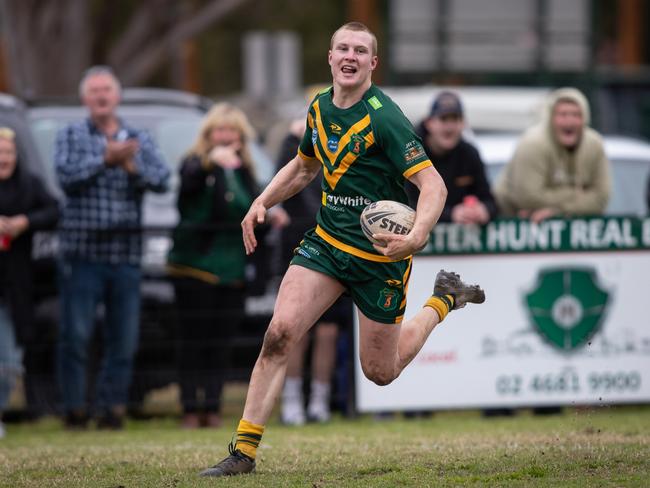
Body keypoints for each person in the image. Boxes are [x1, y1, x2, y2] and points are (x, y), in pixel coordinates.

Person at [200, 22, 485, 477]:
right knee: (279, 333)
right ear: (330, 58)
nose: (350, 57)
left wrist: (416, 237)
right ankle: (243, 453)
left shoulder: (385, 117)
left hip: (380, 259)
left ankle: (443, 299)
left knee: (380, 371)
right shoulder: (317, 108)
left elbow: (432, 184)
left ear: (373, 63)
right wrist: (261, 200)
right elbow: (303, 166)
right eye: (343, 49)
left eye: (360, 50)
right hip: (327, 245)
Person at [54, 66, 170, 430]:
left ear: (117, 97)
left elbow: (163, 179)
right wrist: (104, 160)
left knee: (124, 339)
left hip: (125, 254)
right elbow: (65, 178)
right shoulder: (70, 135)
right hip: (82, 254)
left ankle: (112, 409)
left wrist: (132, 167)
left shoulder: (137, 137)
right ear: (85, 99)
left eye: (107, 90)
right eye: (94, 91)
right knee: (76, 336)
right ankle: (74, 410)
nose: (101, 96)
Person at [167, 103, 287, 429]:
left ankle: (213, 409)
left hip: (232, 270)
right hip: (193, 269)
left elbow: (250, 211)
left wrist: (270, 212)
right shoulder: (194, 164)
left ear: (240, 136)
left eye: (231, 130)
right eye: (218, 130)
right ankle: (190, 409)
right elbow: (187, 191)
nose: (224, 136)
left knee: (220, 345)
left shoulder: (245, 172)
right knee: (192, 342)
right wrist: (211, 165)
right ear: (208, 135)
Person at [275, 118, 353, 426]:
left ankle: (320, 400)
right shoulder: (297, 140)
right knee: (296, 328)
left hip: (338, 247)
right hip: (301, 245)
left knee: (328, 331)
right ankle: (292, 400)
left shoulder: (352, 142)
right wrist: (296, 133)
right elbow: (289, 174)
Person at [0, 126, 60, 437]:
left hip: (14, 287)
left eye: (8, 152)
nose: (3, 158)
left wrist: (24, 222)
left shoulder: (28, 185)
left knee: (9, 360)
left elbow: (53, 209)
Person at [493, 87, 611, 223]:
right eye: (563, 114)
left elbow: (601, 197)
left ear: (585, 118)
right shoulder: (533, 143)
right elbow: (529, 198)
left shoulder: (595, 144)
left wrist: (559, 211)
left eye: (576, 115)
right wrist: (576, 193)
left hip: (573, 230)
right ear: (550, 118)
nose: (569, 121)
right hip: (512, 222)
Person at [405, 91, 497, 224]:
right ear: (429, 123)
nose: (449, 127)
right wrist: (450, 215)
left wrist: (484, 210)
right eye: (443, 119)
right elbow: (405, 204)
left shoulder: (470, 154)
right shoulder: (411, 152)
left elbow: (490, 201)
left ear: (463, 123)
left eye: (455, 119)